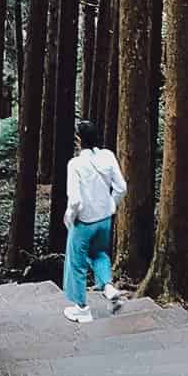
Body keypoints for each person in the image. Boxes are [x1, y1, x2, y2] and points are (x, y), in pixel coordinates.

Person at [62, 117, 127, 324]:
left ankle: (82, 309)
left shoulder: (75, 164)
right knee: (100, 254)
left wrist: (69, 217)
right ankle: (109, 288)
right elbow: (121, 187)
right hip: (105, 219)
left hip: (84, 222)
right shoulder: (108, 156)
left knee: (77, 264)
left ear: (79, 140)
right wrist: (111, 204)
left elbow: (75, 199)